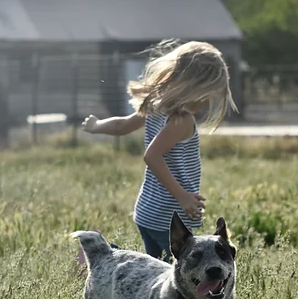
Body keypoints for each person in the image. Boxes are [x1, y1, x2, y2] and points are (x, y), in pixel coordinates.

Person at [82, 40, 237, 262]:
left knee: (153, 271)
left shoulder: (156, 104)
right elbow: (152, 156)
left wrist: (96, 126)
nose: (206, 102)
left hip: (147, 211)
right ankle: (102, 256)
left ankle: (107, 259)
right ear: (195, 86)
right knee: (178, 273)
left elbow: (122, 125)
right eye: (208, 94)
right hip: (169, 216)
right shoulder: (182, 120)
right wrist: (182, 196)